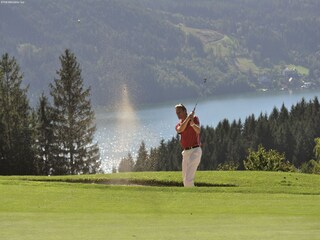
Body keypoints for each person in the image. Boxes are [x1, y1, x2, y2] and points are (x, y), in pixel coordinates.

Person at [175, 103, 202, 187]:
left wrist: (192, 123)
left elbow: (198, 131)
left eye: (179, 112)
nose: (178, 115)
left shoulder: (195, 119)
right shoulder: (179, 124)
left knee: (188, 179)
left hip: (195, 151)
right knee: (185, 179)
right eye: (176, 113)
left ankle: (196, 198)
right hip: (186, 152)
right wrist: (188, 118)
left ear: (184, 111)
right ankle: (191, 197)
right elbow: (180, 130)